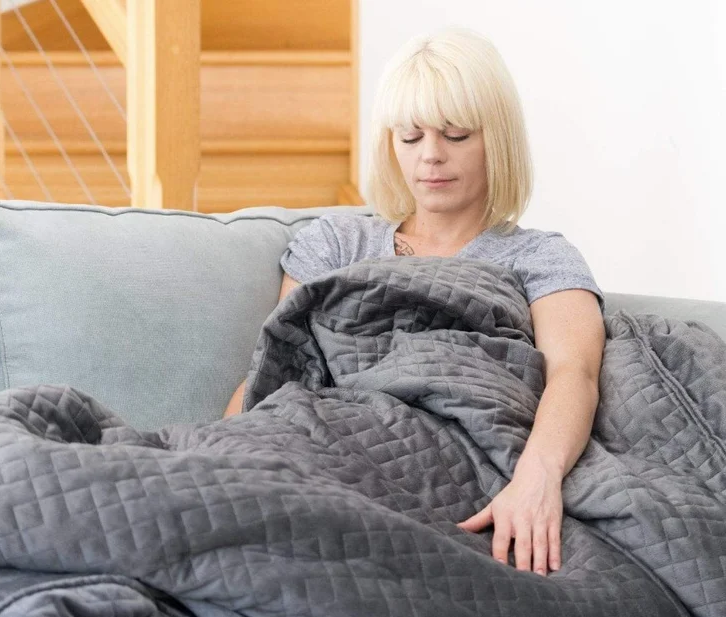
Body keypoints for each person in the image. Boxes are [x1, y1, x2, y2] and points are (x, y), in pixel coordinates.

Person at [224, 27, 606, 580]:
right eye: (410, 137)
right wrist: (219, 457)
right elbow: (278, 368)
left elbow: (576, 373)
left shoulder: (539, 256)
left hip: (456, 469)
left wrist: (537, 481)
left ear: (495, 138)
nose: (431, 156)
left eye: (455, 134)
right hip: (328, 452)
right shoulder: (337, 243)